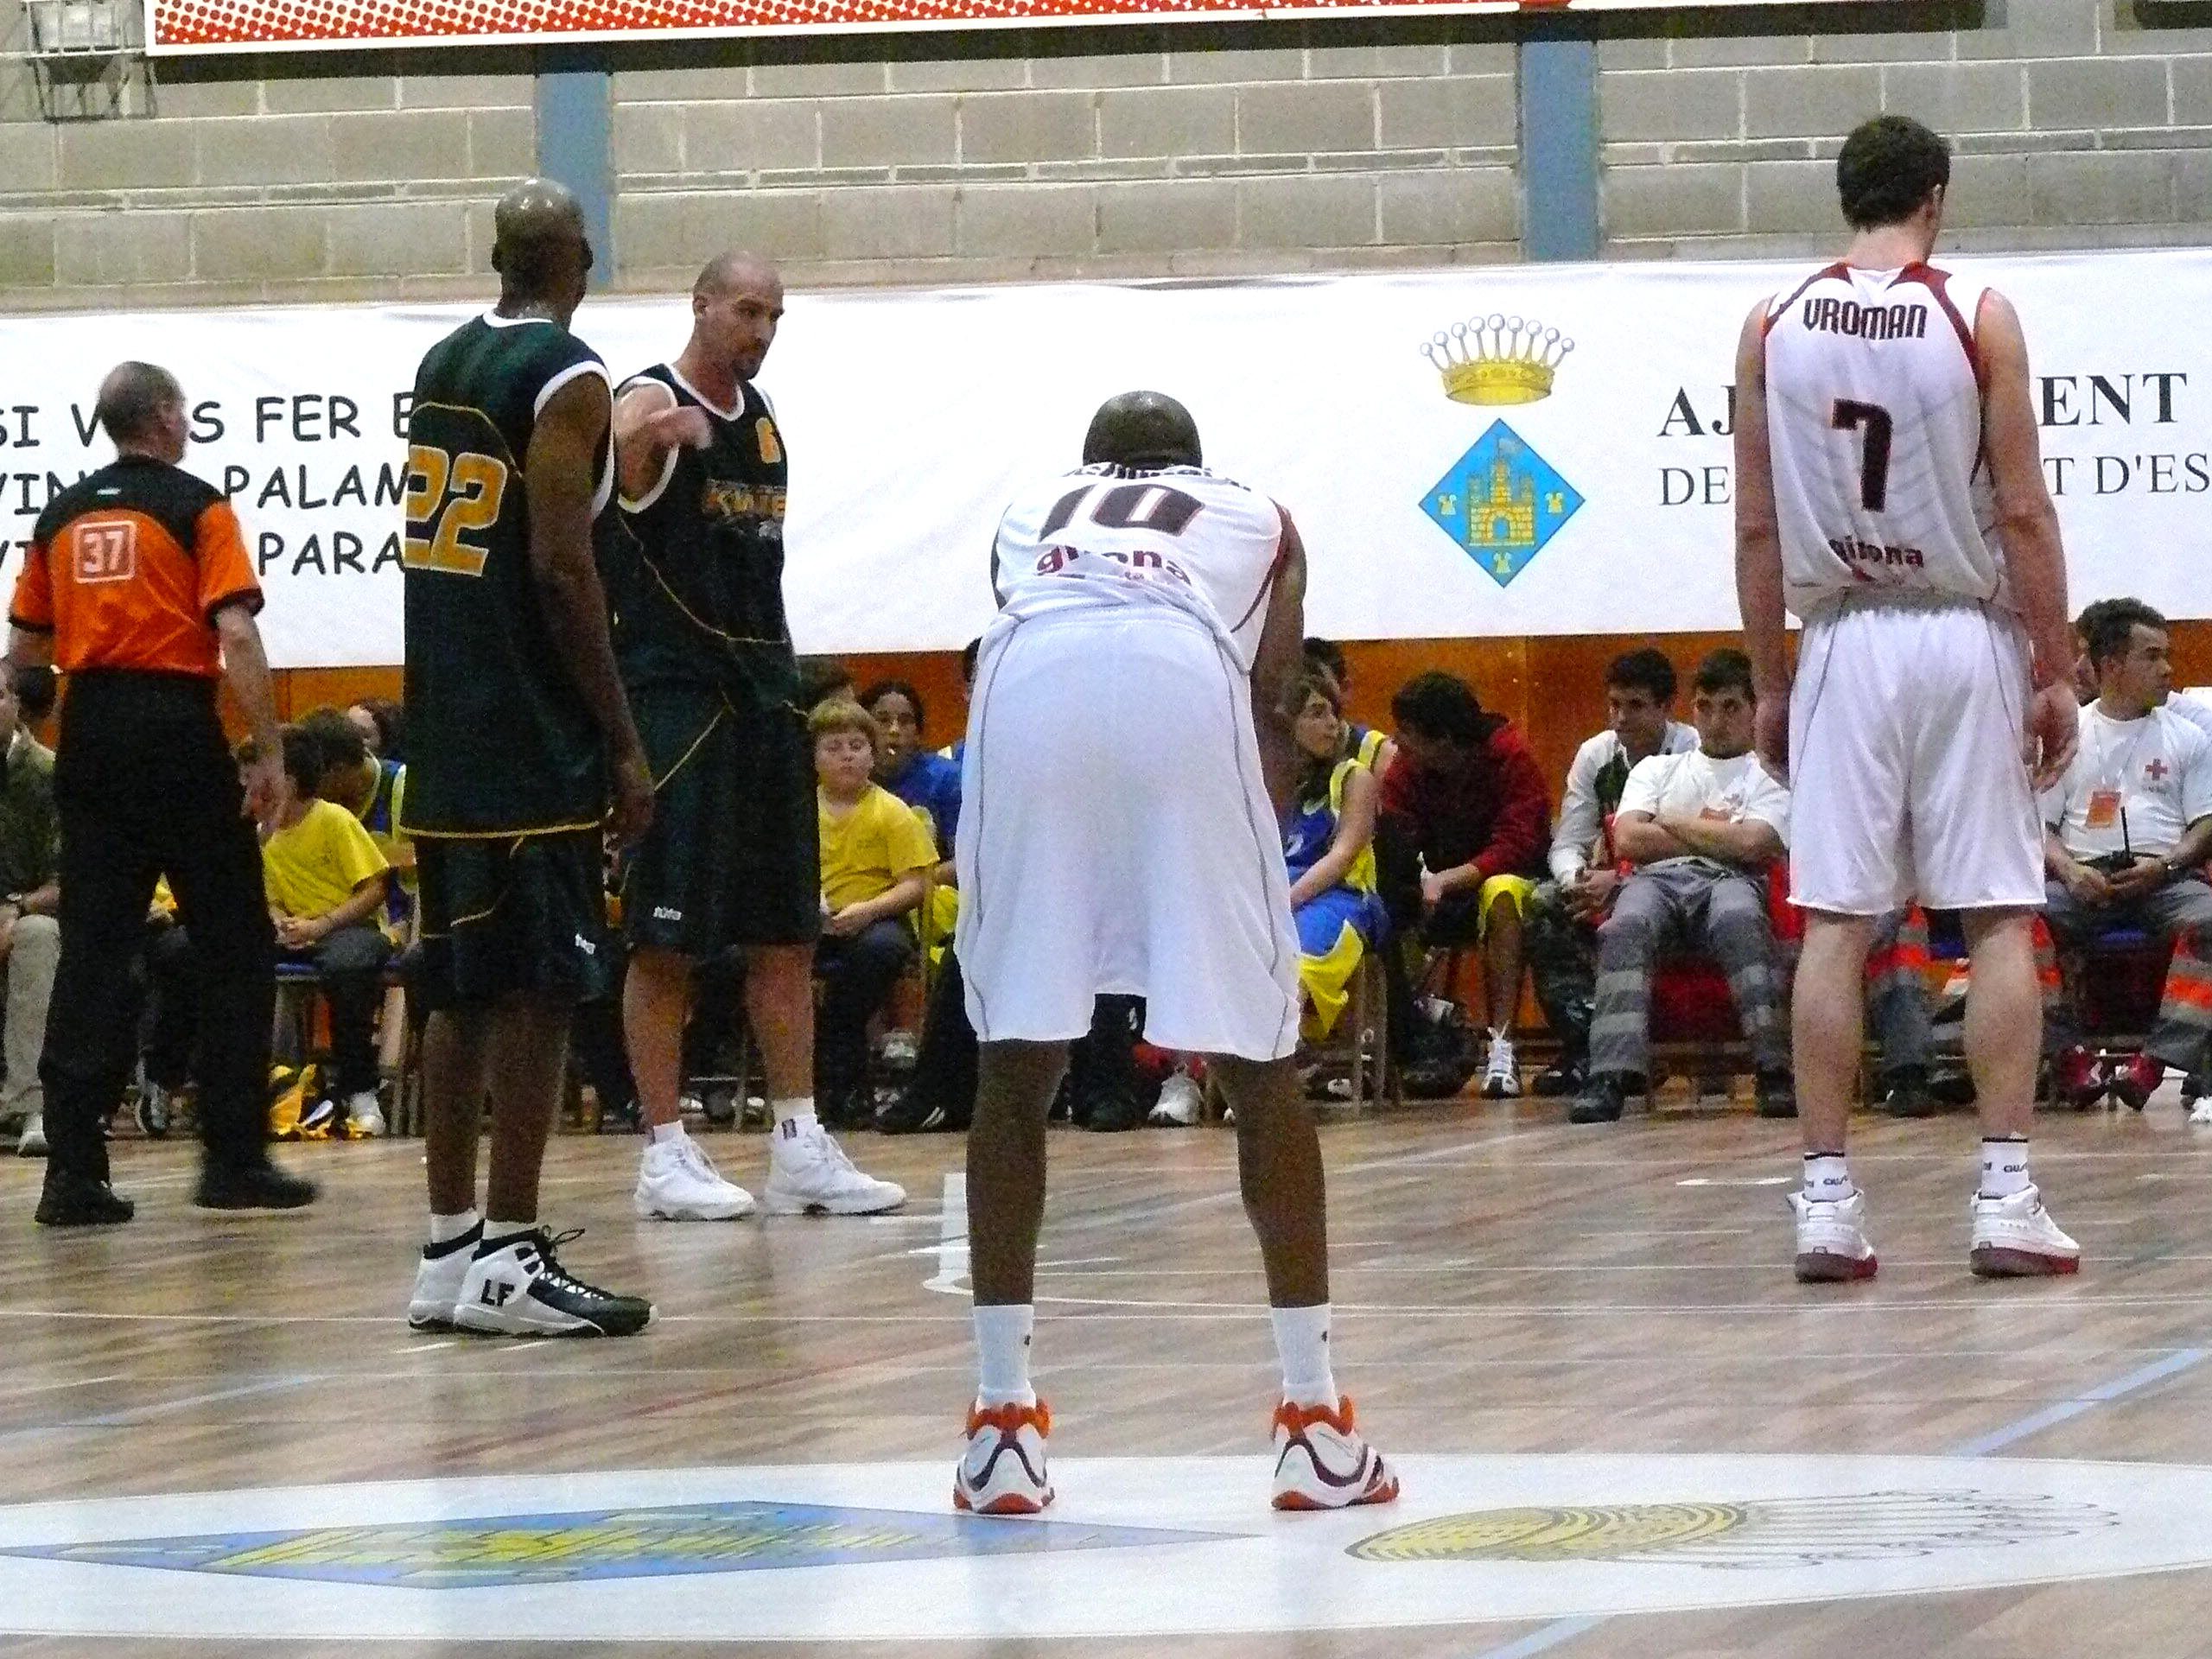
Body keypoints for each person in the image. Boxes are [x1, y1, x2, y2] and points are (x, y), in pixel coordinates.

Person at [953, 390, 1396, 1516]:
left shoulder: (1028, 507)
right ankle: (1314, 1423)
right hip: (1179, 674)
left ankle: (1001, 1428)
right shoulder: (1262, 515)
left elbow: (1029, 616)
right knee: (1259, 1061)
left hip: (1026, 680)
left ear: (1090, 463)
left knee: (1015, 1060)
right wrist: (1246, 856)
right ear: (1194, 461)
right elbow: (1277, 698)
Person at [1734, 115, 2080, 1282]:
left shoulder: (1771, 322)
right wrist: (2053, 666)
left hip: (1842, 634)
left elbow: (1755, 526)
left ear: (1848, 198)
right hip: (1959, 628)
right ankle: (2005, 1196)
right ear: (1935, 195)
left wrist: (1769, 680)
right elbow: (2023, 509)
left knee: (1835, 923)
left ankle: (1825, 1204)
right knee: (1994, 915)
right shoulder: (1976, 313)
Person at [600, 248, 903, 1222]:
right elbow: (618, 458)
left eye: (773, 316)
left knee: (785, 936)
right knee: (666, 944)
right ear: (699, 306)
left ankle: (799, 1143)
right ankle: (663, 1152)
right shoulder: (648, 397)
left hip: (767, 696)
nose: (762, 331)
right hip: (679, 702)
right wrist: (645, 441)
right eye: (745, 311)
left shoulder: (761, 418)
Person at [399, 178, 652, 1336]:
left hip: (443, 728)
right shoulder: (569, 377)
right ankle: (508, 1253)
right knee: (542, 991)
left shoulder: (444, 360)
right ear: (578, 261)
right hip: (526, 733)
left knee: (457, 990)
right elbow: (560, 567)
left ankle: (448, 1251)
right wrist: (623, 740)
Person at [7, 359, 313, 1224]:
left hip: (91, 733)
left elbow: (24, 651)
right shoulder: (196, 507)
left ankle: (73, 1175)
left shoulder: (61, 515)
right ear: (168, 417)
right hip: (176, 729)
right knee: (236, 941)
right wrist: (267, 752)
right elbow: (237, 634)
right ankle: (233, 1159)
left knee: (93, 953)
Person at [1571, 650, 1796, 1124]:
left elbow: (1756, 843)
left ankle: (1774, 1068)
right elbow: (1628, 839)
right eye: (1705, 707)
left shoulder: (1769, 775)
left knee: (1740, 918)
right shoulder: (1656, 769)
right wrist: (1720, 832)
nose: (1716, 720)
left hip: (1733, 879)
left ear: (1754, 711)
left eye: (1730, 707)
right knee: (1625, 924)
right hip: (1655, 880)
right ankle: (1608, 1075)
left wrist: (1671, 820)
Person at [2040, 599, 2212, 1108]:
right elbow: (2039, 828)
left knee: (2211, 919)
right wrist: (2069, 870)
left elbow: (2205, 823)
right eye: (2153, 656)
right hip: (2082, 876)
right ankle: (2068, 1057)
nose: (2169, 669)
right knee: (2017, 921)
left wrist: (2168, 865)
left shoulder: (2189, 737)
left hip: (2166, 876)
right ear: (2112, 666)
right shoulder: (2068, 736)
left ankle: (2156, 1061)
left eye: (2167, 655)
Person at [1523, 648, 1697, 1097]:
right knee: (1544, 904)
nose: (1620, 718)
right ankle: (1585, 1047)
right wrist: (1577, 881)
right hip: (1604, 884)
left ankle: (1634, 1051)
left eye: (1635, 706)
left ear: (1666, 707)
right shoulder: (1595, 755)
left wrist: (1621, 882)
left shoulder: (1692, 753)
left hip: (1677, 886)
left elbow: (1697, 847)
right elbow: (1568, 842)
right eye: (1614, 704)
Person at [1378, 671, 1549, 1097]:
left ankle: (1502, 1047)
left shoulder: (1510, 757)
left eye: (1408, 732)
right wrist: (1418, 880)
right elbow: (1395, 834)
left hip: (1508, 878)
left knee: (1503, 891)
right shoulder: (1405, 771)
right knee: (1384, 901)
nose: (1398, 741)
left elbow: (1517, 843)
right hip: (1435, 885)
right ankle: (1408, 1035)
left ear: (1443, 739)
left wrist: (1448, 880)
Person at [260, 727, 394, 1138]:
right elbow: (268, 897)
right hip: (295, 934)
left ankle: (360, 1089)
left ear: (289, 781)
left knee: (347, 967)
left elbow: (374, 888)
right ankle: (264, 1087)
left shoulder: (333, 819)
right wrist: (278, 921)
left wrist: (324, 923)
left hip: (350, 928)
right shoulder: (265, 834)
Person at [813, 699, 935, 1122]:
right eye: (833, 747)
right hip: (812, 922)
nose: (847, 756)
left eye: (856, 746)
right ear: (814, 757)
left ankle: (842, 1074)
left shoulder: (892, 811)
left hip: (876, 920)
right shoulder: (799, 812)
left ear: (872, 753)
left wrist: (866, 911)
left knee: (880, 951)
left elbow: (916, 885)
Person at [1282, 671, 1388, 1042]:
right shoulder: (1271, 783)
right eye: (1317, 713)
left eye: (1333, 713)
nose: (1332, 724)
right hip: (1278, 892)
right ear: (1286, 721)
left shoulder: (1354, 777)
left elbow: (1342, 857)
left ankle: (1282, 1059)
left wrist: (1284, 901)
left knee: (1292, 966)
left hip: (1341, 897)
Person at [0, 668, 60, 1158]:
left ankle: (31, 1107)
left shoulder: (48, 774)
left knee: (37, 936)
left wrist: (16, 909)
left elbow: (70, 879)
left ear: (15, 703)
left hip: (34, 911)